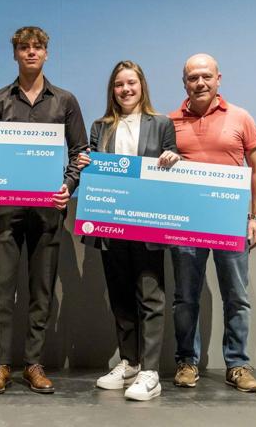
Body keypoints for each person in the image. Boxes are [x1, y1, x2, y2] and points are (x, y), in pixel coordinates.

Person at [0, 26, 88, 395]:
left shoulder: (65, 101)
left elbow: (80, 152)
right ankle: (0, 365)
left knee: (41, 291)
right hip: (6, 212)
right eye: (24, 47)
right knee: (1, 291)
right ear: (15, 54)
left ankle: (33, 364)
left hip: (47, 211)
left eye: (37, 47)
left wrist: (68, 186)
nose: (30, 52)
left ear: (46, 53)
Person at [76, 61, 180, 401]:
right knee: (120, 295)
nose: (126, 89)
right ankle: (130, 362)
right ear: (113, 90)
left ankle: (151, 372)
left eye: (131, 83)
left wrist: (171, 157)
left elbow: (173, 159)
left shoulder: (162, 123)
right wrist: (85, 164)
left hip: (148, 222)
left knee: (150, 295)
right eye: (119, 84)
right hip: (111, 223)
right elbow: (94, 171)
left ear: (142, 86)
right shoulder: (100, 126)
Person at [169, 53, 256, 392]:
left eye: (206, 76)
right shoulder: (169, 122)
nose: (200, 82)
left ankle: (238, 365)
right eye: (193, 77)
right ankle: (186, 361)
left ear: (218, 78)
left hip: (230, 221)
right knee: (185, 297)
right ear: (184, 82)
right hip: (185, 223)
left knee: (236, 297)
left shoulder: (241, 117)